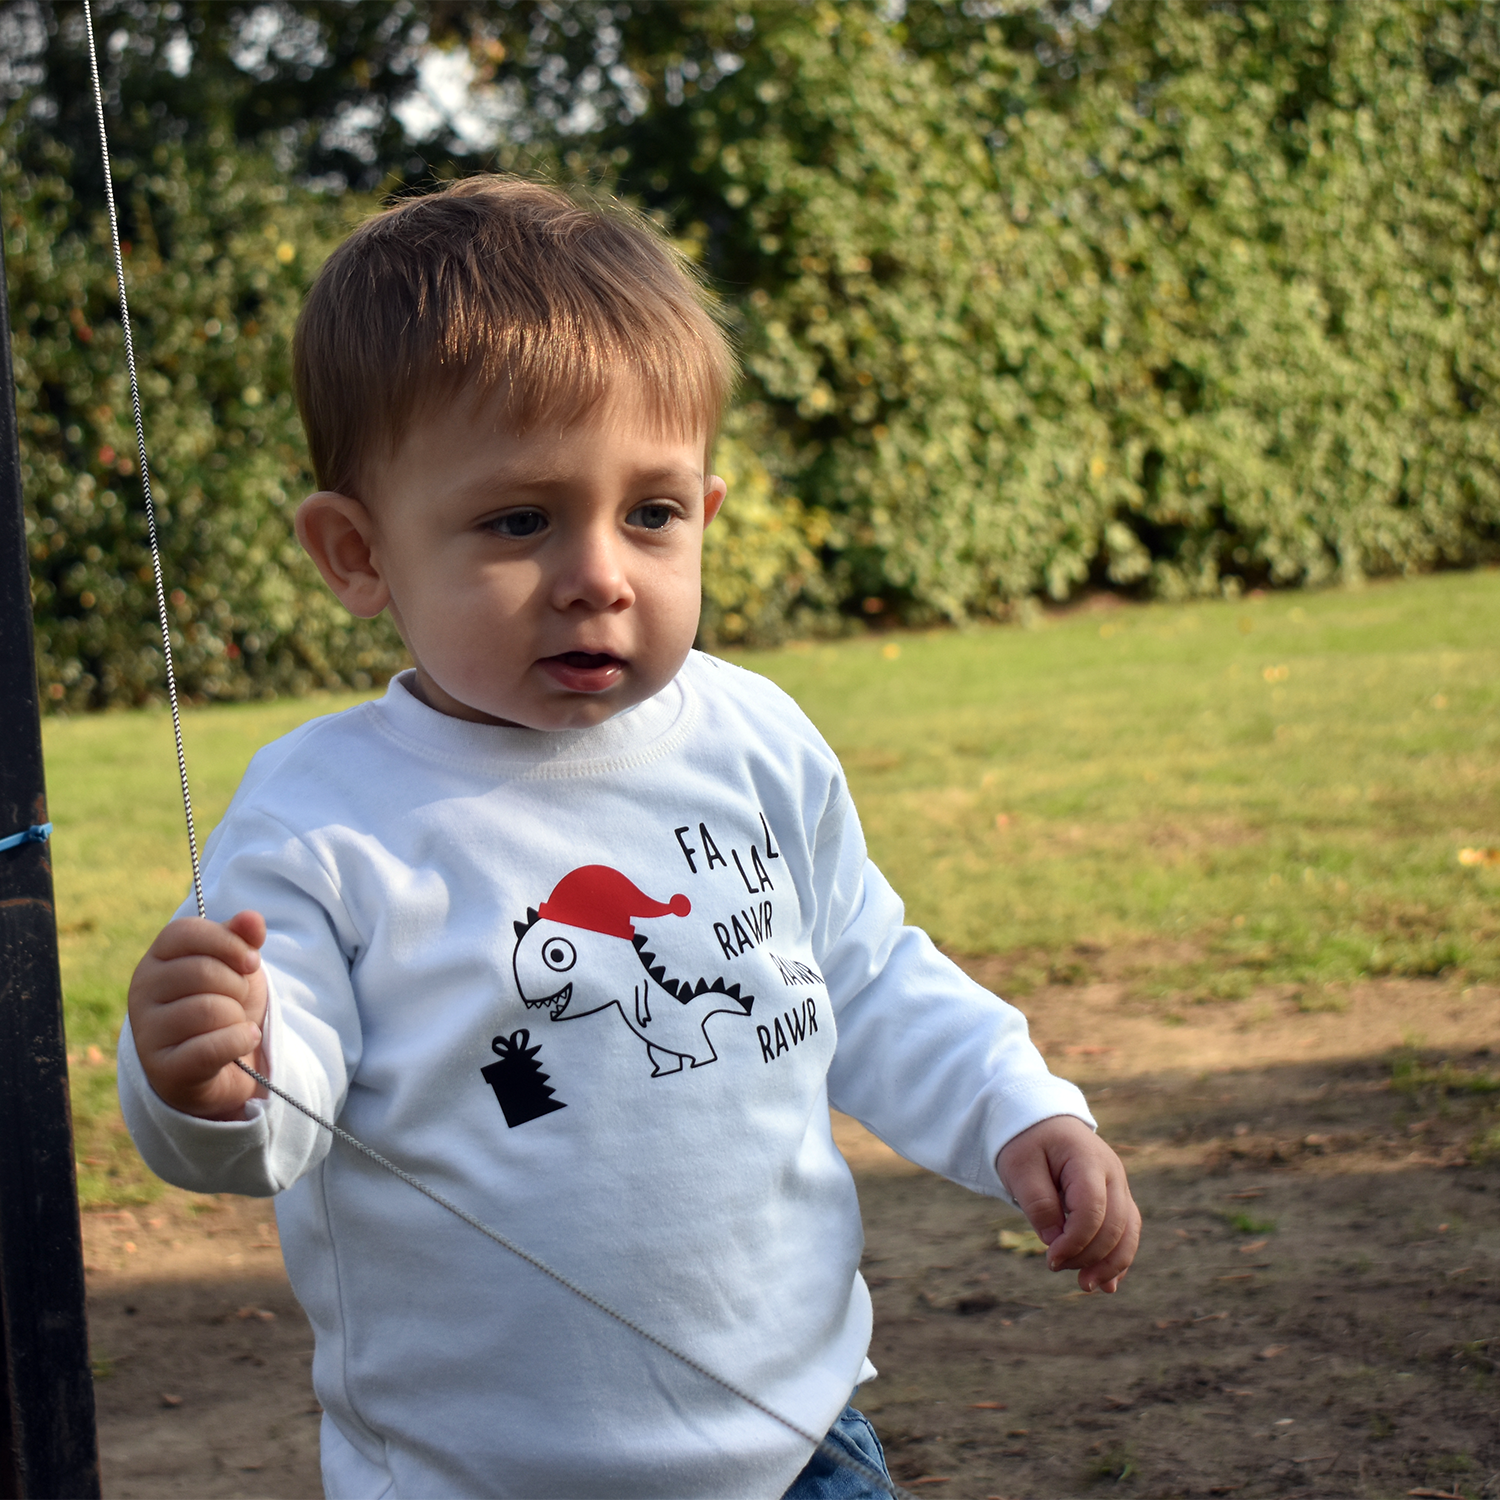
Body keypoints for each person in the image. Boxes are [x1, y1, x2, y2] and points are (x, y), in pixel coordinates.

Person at [119, 176, 1140, 1500]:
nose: (598, 572)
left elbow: (867, 972)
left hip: (803, 1442)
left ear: (706, 515)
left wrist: (1017, 1109)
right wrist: (206, 1078)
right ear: (357, 555)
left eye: (650, 513)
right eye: (518, 520)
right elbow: (274, 1124)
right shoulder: (326, 820)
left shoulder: (752, 740)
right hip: (475, 1475)